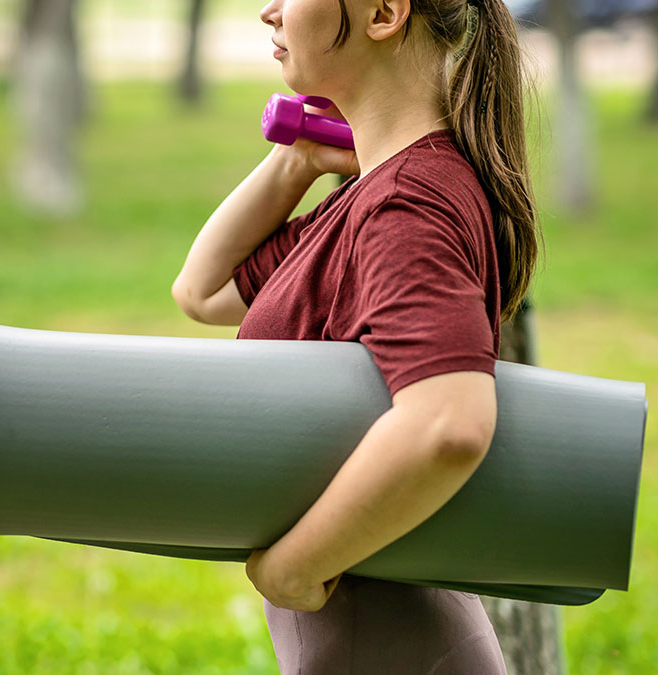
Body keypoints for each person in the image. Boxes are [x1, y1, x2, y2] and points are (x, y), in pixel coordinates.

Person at [171, 0, 542, 671]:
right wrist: (301, 161)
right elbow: (203, 292)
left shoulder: (408, 205)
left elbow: (449, 422)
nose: (269, 11)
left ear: (382, 13)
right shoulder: (374, 191)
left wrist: (293, 567)